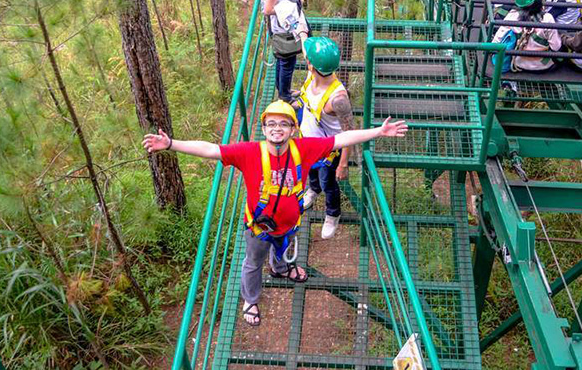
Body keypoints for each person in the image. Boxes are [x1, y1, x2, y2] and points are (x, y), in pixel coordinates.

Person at [141, 101, 408, 328]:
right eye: (271, 124)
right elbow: (211, 149)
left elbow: (342, 139)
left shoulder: (304, 149)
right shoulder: (249, 152)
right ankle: (251, 299)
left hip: (290, 223)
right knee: (253, 262)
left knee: (281, 249)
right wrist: (171, 144)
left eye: (283, 124)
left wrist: (379, 132)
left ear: (293, 129)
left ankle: (280, 269)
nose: (277, 129)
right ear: (264, 128)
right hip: (259, 228)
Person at [297, 37, 352, 239]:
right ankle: (313, 190)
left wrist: (343, 164)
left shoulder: (338, 99)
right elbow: (305, 46)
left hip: (328, 151)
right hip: (307, 143)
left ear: (311, 65)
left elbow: (349, 132)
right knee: (311, 172)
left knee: (328, 182)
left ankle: (332, 213)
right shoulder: (312, 76)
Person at [491, 0, 561, 73]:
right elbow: (556, 47)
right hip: (542, 66)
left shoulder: (512, 16)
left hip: (518, 63)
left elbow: (496, 41)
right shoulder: (547, 19)